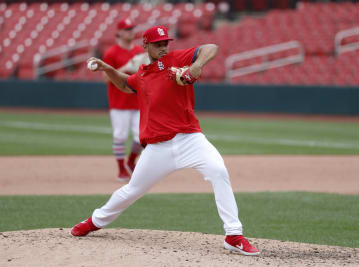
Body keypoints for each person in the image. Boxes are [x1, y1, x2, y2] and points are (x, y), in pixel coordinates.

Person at [71, 25, 260, 256]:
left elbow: (211, 48)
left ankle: (234, 235)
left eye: (165, 43)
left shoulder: (176, 58)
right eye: (158, 44)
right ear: (146, 46)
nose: (163, 47)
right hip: (158, 148)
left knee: (218, 171)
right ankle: (94, 222)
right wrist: (108, 68)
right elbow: (124, 84)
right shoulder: (142, 74)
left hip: (190, 138)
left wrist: (196, 66)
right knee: (132, 190)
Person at [102, 17, 149, 182]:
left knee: (141, 137)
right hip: (119, 102)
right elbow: (105, 78)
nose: (130, 32)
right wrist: (126, 68)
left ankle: (130, 162)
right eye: (127, 29)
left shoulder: (139, 51)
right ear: (119, 32)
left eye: (131, 29)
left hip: (137, 101)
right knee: (120, 136)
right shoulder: (111, 53)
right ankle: (121, 169)